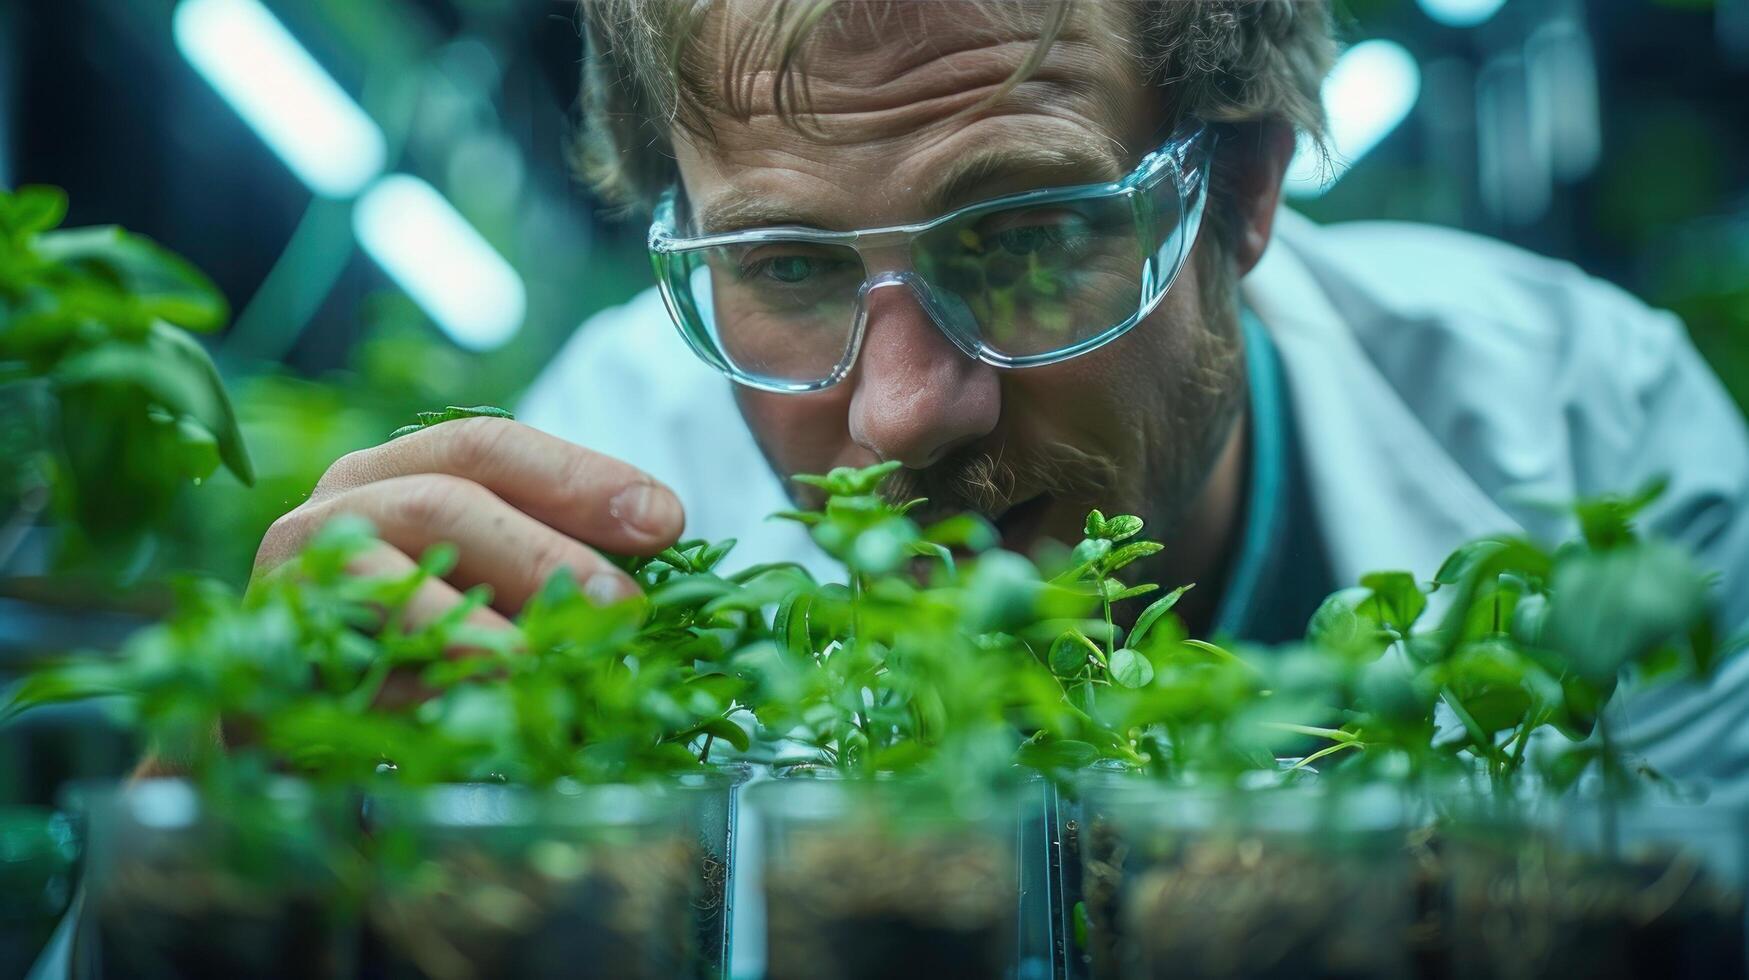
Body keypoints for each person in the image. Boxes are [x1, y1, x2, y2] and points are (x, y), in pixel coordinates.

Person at [256, 1, 1749, 796]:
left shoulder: (1584, 435)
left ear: (1240, 190)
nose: (902, 412)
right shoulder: (587, 479)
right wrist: (234, 839)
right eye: (786, 263)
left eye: (1024, 238)